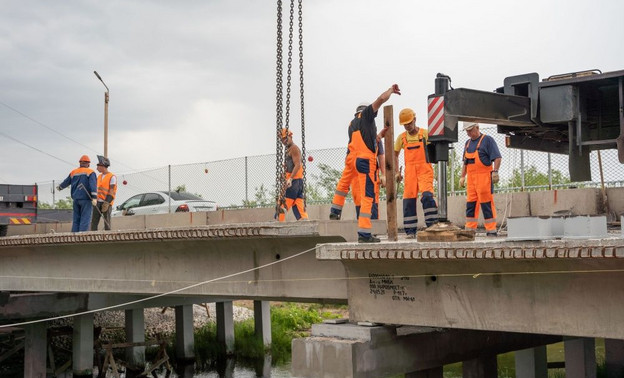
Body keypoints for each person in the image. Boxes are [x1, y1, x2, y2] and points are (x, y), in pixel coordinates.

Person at [330, 84, 401, 243]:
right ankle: (364, 234)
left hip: (351, 160)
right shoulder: (367, 116)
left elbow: (362, 141)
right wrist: (390, 90)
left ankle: (335, 211)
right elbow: (381, 99)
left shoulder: (352, 123)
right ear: (366, 111)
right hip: (364, 161)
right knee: (368, 197)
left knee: (343, 185)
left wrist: (378, 137)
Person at [394, 108, 438, 238]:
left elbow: (435, 151)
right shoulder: (401, 138)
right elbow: (395, 155)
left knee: (427, 196)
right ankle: (410, 231)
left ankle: (432, 226)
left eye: (409, 123)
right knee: (408, 200)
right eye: (405, 124)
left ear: (415, 119)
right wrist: (397, 172)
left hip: (425, 170)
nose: (407, 126)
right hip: (410, 173)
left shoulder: (425, 134)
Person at [459, 122, 502, 236]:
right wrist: (462, 176)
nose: (468, 133)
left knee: (486, 203)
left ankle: (491, 230)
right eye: (467, 131)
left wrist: (495, 172)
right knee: (471, 204)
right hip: (471, 179)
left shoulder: (487, 140)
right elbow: (465, 162)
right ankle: (470, 230)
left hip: (484, 177)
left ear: (477, 128)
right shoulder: (467, 143)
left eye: (470, 130)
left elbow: (497, 157)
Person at [57, 155, 98, 232]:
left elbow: (67, 181)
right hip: (86, 199)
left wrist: (60, 187)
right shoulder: (90, 172)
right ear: (88, 164)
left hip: (76, 199)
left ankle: (74, 236)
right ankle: (82, 237)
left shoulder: (74, 172)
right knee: (85, 218)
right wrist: (94, 198)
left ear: (80, 163)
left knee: (76, 219)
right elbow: (93, 185)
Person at [277, 128, 308, 222]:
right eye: (282, 139)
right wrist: (284, 175)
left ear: (290, 136)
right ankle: (305, 222)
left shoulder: (294, 148)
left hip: (294, 182)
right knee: (298, 205)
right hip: (297, 182)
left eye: (285, 138)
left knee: (281, 204)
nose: (283, 141)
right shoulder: (289, 149)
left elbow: (297, 164)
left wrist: (290, 178)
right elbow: (291, 167)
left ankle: (280, 224)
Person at [91, 155, 117, 231]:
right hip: (98, 202)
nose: (97, 168)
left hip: (107, 202)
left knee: (107, 222)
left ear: (103, 165)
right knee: (94, 222)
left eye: (98, 166)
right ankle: (93, 237)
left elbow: (111, 190)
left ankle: (108, 237)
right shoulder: (99, 177)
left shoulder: (112, 177)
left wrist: (107, 202)